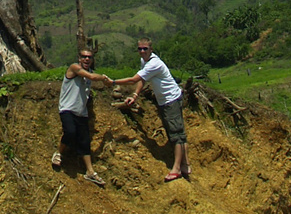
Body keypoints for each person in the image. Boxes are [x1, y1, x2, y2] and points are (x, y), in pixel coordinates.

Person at [112, 38, 191, 182]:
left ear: (151, 49)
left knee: (176, 134)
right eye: (140, 49)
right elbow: (143, 79)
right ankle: (185, 165)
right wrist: (135, 95)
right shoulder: (146, 62)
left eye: (145, 49)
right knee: (176, 132)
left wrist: (113, 81)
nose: (142, 51)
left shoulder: (154, 63)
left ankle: (177, 168)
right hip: (166, 101)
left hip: (171, 100)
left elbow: (133, 79)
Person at [51, 47, 112, 186]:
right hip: (67, 109)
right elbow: (91, 77)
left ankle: (90, 171)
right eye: (84, 57)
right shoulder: (74, 68)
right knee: (70, 132)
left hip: (81, 113)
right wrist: (103, 78)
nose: (86, 59)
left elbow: (91, 76)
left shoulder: (89, 73)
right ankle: (58, 153)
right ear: (79, 58)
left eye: (89, 57)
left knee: (85, 143)